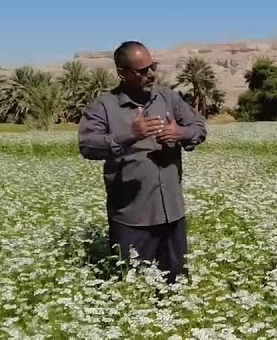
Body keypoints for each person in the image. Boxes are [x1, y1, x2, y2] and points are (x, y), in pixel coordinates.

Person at [78, 41, 207, 284]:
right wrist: (129, 135)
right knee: (133, 287)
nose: (151, 74)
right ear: (122, 73)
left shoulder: (168, 98)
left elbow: (198, 127)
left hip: (172, 215)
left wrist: (181, 133)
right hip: (131, 219)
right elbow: (87, 146)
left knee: (176, 287)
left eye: (152, 67)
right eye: (142, 71)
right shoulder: (104, 107)